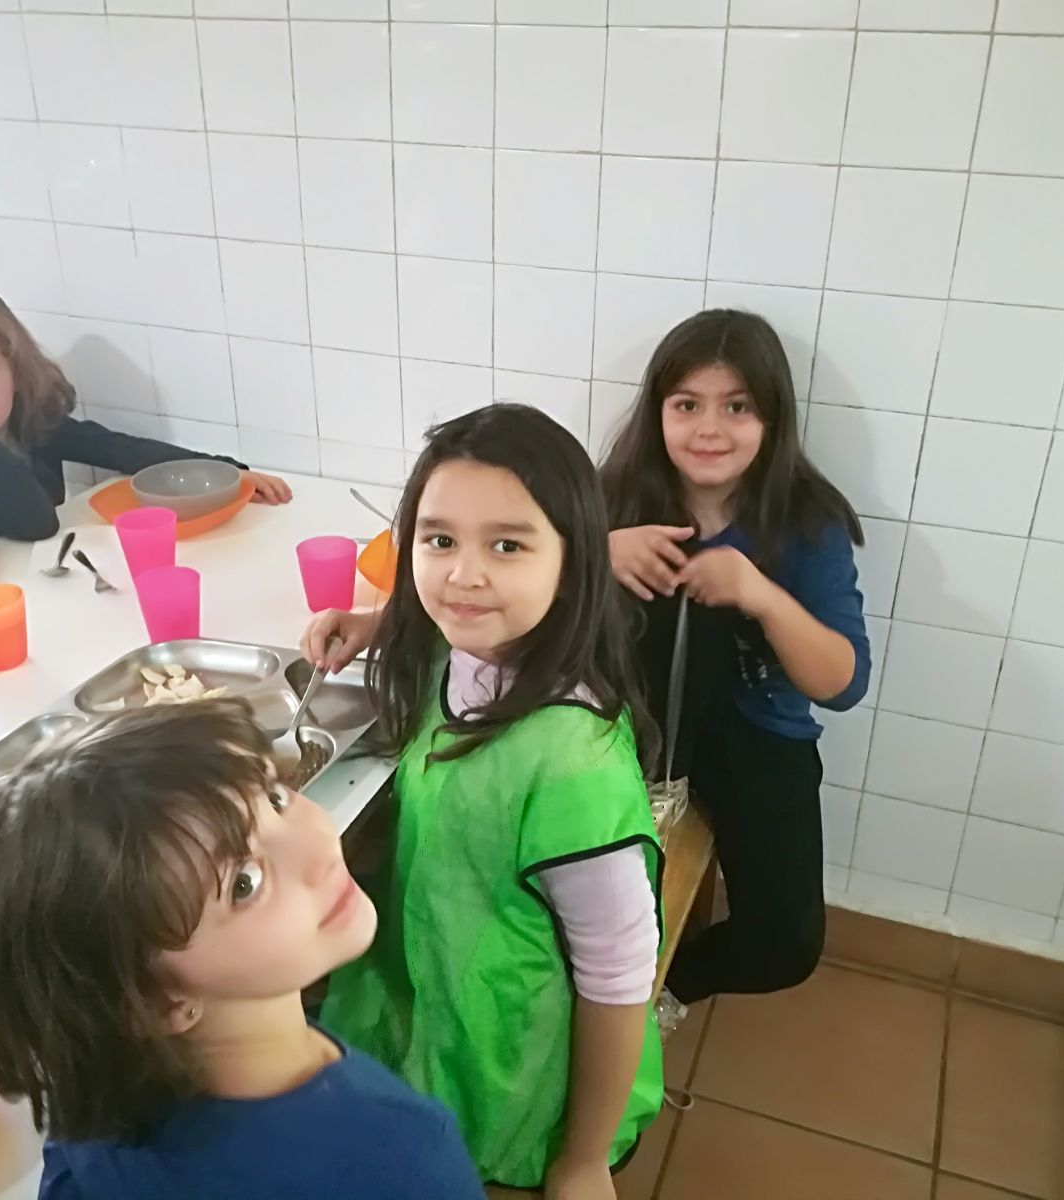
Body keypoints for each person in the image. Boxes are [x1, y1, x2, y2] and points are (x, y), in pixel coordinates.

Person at [303, 404, 664, 1197]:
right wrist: (372, 621)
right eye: (439, 541)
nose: (463, 575)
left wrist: (583, 1160)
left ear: (573, 562)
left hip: (513, 1058)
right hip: (433, 984)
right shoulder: (463, 649)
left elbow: (618, 975)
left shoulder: (573, 762)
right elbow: (441, 608)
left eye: (507, 546)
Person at [0, 702, 485, 1200]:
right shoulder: (408, 1157)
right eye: (244, 883)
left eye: (275, 798)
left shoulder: (87, 1096)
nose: (319, 847)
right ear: (158, 1000)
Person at [600, 308, 870, 1011]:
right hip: (635, 727)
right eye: (687, 405)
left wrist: (759, 594)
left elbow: (843, 684)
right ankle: (601, 992)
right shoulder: (614, 498)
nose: (710, 429)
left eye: (737, 407)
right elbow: (513, 575)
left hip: (759, 733)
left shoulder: (806, 524)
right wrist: (598, 551)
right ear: (658, 412)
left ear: (771, 420)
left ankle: (666, 990)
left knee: (786, 943)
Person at [0, 288, 291, 542]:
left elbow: (120, 449)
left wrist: (226, 472)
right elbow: (33, 524)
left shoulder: (32, 426)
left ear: (16, 373)